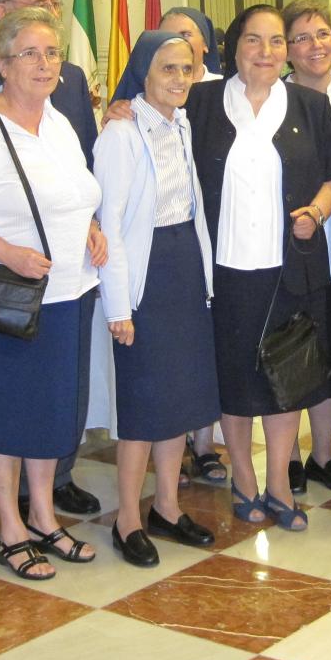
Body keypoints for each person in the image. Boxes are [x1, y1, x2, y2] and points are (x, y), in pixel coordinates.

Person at [0, 9, 107, 579]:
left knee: (49, 412)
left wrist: (89, 227)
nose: (44, 64)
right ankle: (9, 527)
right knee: (8, 412)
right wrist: (8, 252)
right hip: (7, 296)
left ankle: (45, 518)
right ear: (2, 63)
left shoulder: (57, 121)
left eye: (52, 53)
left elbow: (74, 192)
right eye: (29, 53)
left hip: (67, 291)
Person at [185, 4, 331, 532]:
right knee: (235, 378)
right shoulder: (201, 101)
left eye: (277, 42)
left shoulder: (311, 105)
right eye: (255, 40)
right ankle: (243, 477)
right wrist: (118, 109)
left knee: (286, 377)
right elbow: (148, 109)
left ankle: (278, 479)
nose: (267, 53)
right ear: (234, 48)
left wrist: (316, 213)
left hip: (290, 269)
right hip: (224, 269)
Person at [94, 31, 221, 566]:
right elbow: (113, 225)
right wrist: (119, 307)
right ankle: (127, 519)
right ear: (143, 72)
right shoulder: (121, 134)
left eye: (186, 69)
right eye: (167, 69)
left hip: (184, 269)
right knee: (144, 406)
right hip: (145, 276)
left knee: (182, 399)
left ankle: (167, 506)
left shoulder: (183, 123)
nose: (178, 79)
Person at [281, 0, 331, 497]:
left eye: (324, 34)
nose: (316, 46)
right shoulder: (273, 98)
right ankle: (287, 454)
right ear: (287, 50)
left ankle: (324, 454)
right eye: (303, 38)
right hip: (294, 245)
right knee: (293, 351)